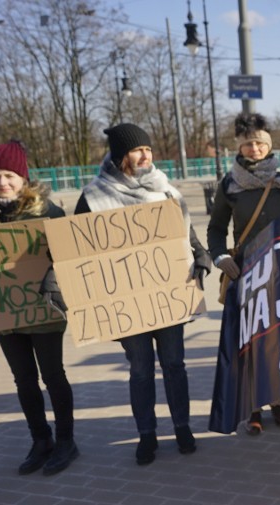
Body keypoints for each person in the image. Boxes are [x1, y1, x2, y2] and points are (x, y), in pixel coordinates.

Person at [74, 123, 212, 465]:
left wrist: (200, 253)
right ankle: (147, 434)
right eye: (137, 150)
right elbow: (77, 250)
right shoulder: (94, 196)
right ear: (122, 156)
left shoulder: (164, 189)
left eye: (148, 150)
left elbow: (185, 231)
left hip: (168, 295)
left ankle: (182, 427)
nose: (145, 155)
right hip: (128, 303)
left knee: (175, 365)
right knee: (140, 370)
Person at [207, 113, 280, 434]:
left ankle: (278, 400)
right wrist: (220, 256)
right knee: (250, 342)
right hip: (246, 270)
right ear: (239, 147)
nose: (254, 148)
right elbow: (216, 229)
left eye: (259, 142)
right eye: (248, 143)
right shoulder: (229, 185)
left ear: (268, 144)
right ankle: (253, 406)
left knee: (278, 339)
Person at [0, 140, 79, 476]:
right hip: (5, 314)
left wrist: (55, 275)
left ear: (23, 179)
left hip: (42, 311)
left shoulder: (47, 212)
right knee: (23, 380)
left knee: (52, 375)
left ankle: (66, 442)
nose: (2, 182)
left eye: (9, 175)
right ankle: (40, 440)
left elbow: (70, 255)